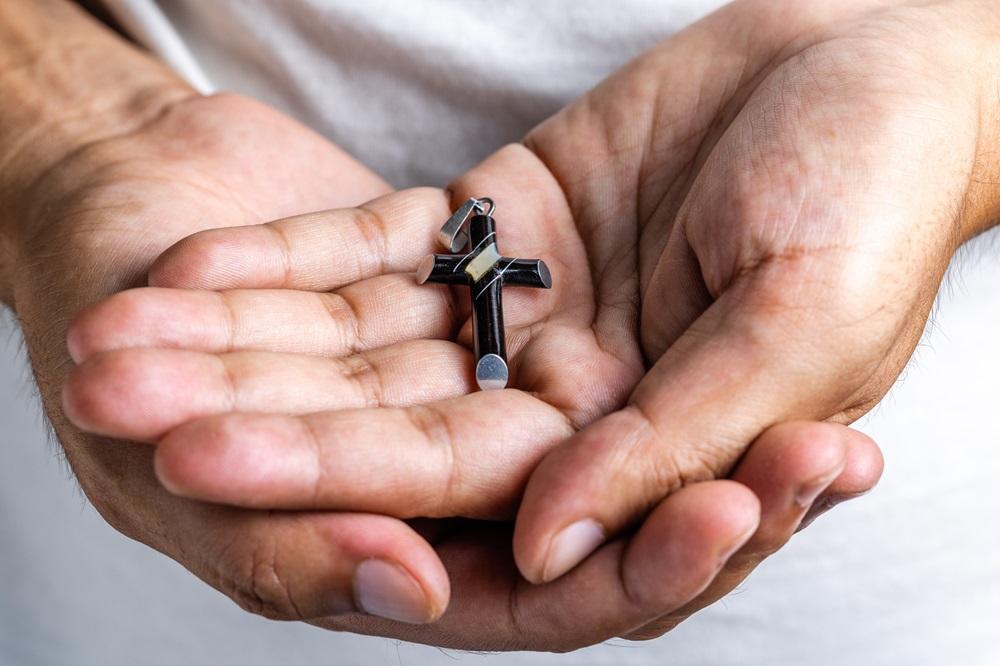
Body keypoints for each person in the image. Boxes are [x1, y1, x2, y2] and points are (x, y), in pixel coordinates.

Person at [1, 0, 997, 660]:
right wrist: (59, 132)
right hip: (132, 605)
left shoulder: (484, 263)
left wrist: (967, 78)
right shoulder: (473, 264)